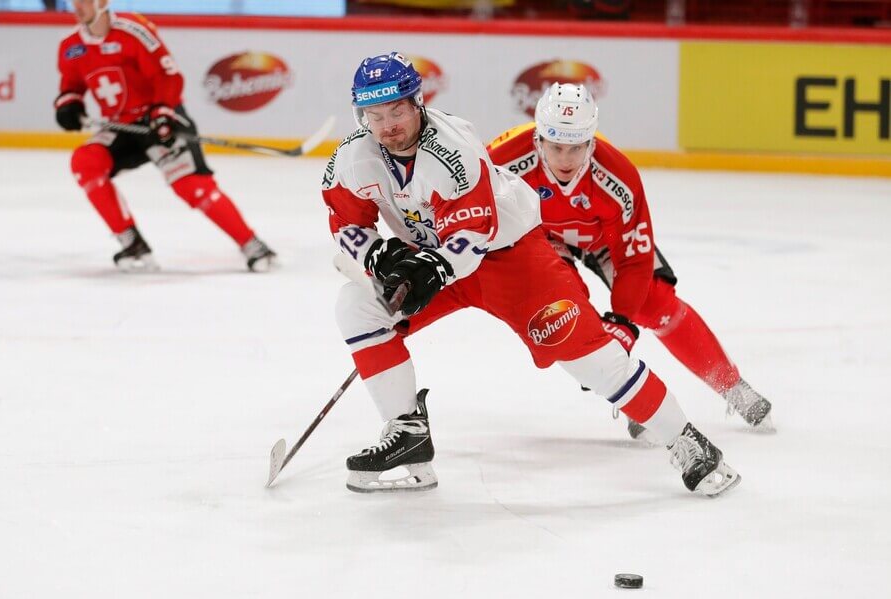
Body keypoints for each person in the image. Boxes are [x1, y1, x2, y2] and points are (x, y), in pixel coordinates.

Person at [322, 52, 741, 496]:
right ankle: (408, 435)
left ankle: (688, 442)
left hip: (510, 259)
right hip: (432, 258)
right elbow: (347, 223)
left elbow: (473, 234)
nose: (387, 125)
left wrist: (428, 267)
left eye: (397, 111)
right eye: (375, 114)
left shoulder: (453, 149)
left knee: (591, 360)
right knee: (357, 306)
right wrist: (379, 257)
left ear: (417, 103)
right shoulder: (351, 159)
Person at [486, 83, 773, 442]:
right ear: (537, 140)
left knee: (654, 301)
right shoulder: (498, 161)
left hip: (605, 238)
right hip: (539, 236)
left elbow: (635, 260)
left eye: (576, 148)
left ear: (591, 143)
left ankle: (731, 385)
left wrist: (623, 323)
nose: (564, 159)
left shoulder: (618, 176)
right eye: (556, 146)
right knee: (566, 314)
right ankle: (636, 396)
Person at [54, 0, 276, 272]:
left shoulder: (134, 30)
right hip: (121, 128)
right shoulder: (70, 47)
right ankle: (131, 241)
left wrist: (162, 111)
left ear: (102, 2)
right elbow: (71, 85)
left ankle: (252, 243)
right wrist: (69, 104)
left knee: (191, 186)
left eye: (84, 0)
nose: (77, 6)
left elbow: (167, 74)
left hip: (158, 120)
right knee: (85, 161)